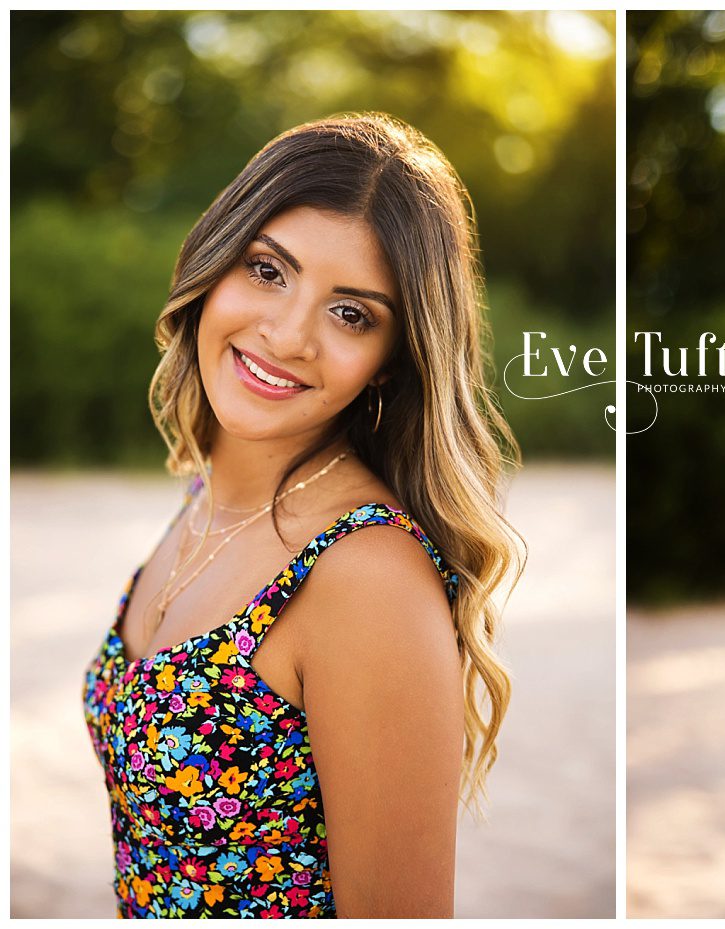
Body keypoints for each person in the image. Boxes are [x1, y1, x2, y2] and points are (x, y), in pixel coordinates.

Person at [80, 114, 526, 918]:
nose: (287, 334)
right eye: (267, 270)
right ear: (214, 262)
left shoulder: (365, 574)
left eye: (351, 313)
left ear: (393, 360)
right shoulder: (208, 495)